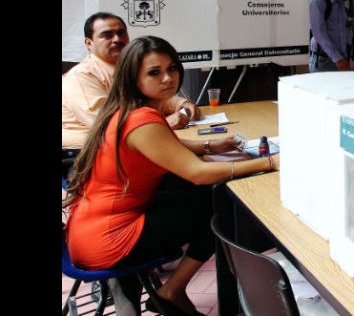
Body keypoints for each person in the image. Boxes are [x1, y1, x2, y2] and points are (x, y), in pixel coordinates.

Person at [63, 36, 279, 316]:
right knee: (220, 208)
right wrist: (270, 162)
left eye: (172, 68)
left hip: (87, 230)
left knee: (201, 196)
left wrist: (210, 146)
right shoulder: (141, 119)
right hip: (108, 241)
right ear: (133, 77)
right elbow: (198, 173)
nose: (167, 78)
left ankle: (167, 291)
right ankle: (172, 291)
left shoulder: (127, 109)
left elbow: (163, 143)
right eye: (154, 72)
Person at [62, 12, 201, 151]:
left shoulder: (128, 67)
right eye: (107, 35)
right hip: (90, 152)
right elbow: (106, 126)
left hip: (136, 141)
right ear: (89, 43)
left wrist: (181, 104)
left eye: (121, 33)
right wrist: (162, 123)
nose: (117, 39)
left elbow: (149, 97)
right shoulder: (81, 76)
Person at [309, 0, 350, 72]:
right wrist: (337, 59)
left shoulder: (340, 1)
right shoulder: (318, 0)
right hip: (325, 59)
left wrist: (343, 56)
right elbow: (319, 33)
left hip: (340, 57)